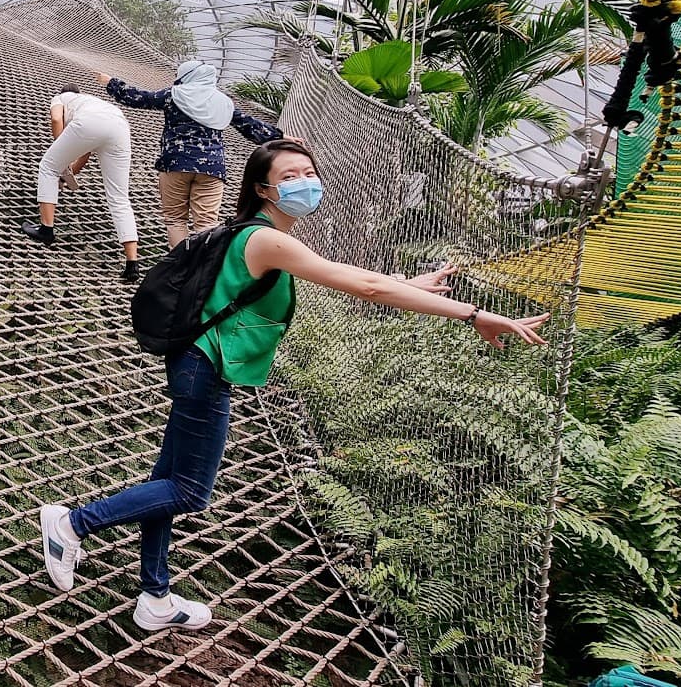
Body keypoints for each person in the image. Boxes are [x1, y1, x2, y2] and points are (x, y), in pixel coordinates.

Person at [36, 137, 549, 632]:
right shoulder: (267, 238)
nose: (305, 183)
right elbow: (365, 284)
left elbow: (349, 280)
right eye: (289, 176)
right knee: (189, 490)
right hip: (206, 368)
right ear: (263, 189)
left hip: (198, 363)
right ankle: (73, 525)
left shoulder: (261, 235)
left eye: (309, 173)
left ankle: (154, 595)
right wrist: (473, 313)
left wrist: (409, 287)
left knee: (166, 483)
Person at [100, 61, 283, 247]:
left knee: (175, 219)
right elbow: (249, 125)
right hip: (212, 168)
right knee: (207, 223)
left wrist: (111, 82)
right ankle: (204, 269)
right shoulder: (224, 102)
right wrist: (282, 137)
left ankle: (180, 266)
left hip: (176, 163)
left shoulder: (174, 95)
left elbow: (139, 98)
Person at [23, 84, 141, 281]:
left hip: (91, 124)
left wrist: (58, 159)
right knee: (119, 198)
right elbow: (84, 152)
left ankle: (46, 229)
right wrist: (68, 174)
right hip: (120, 126)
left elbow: (55, 118)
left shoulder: (60, 98)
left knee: (47, 167)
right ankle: (132, 264)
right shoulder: (89, 102)